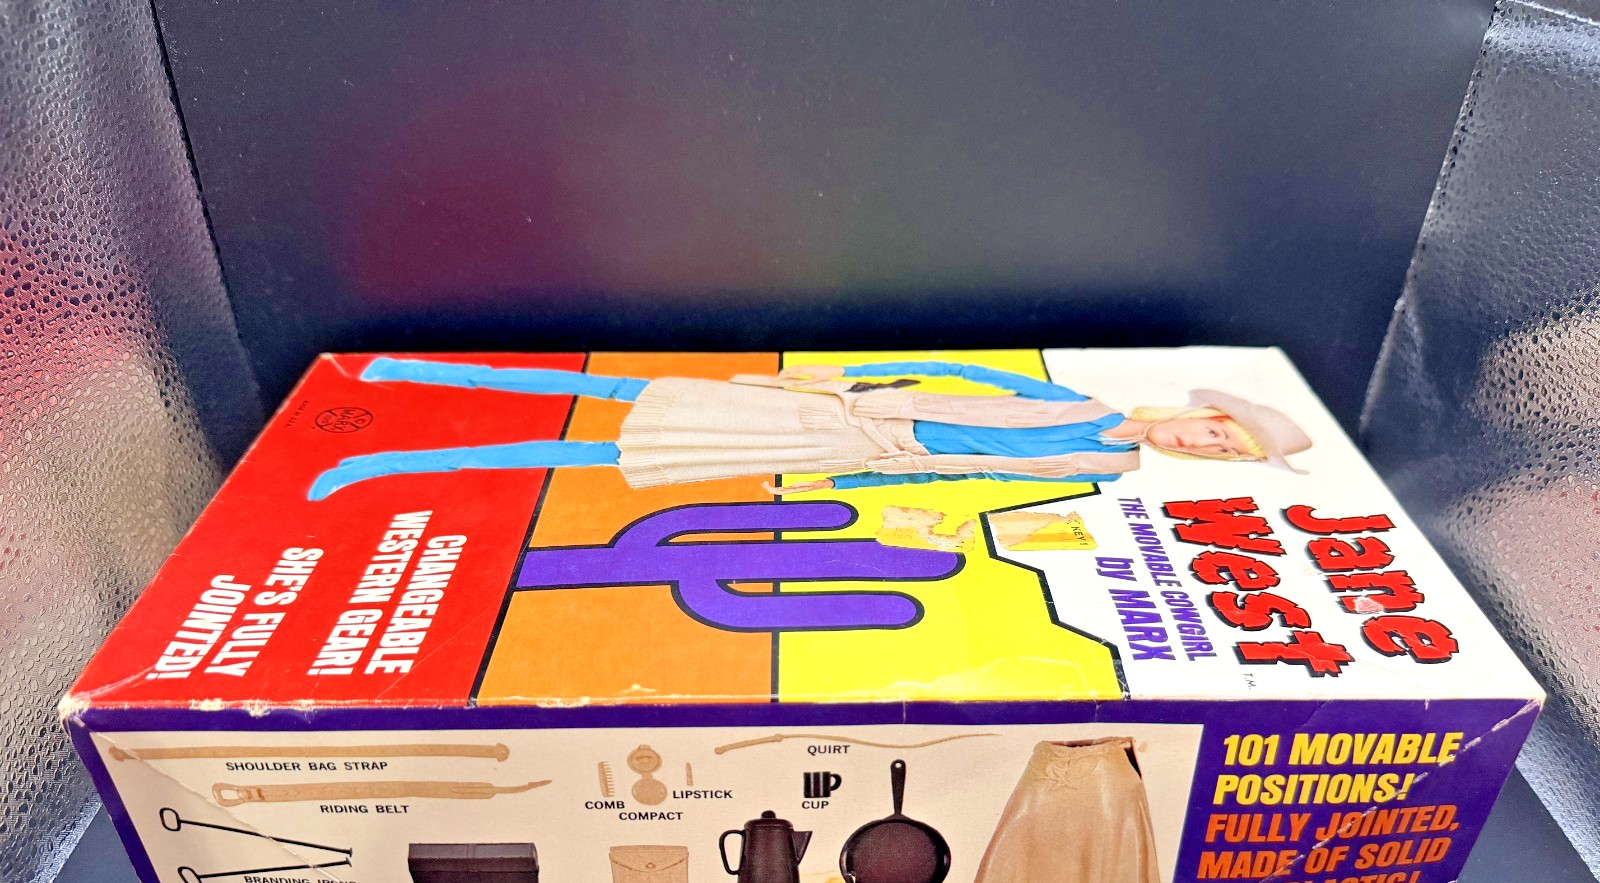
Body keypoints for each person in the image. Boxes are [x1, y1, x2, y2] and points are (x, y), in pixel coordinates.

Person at [307, 356, 1313, 500]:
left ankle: (384, 464)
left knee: (617, 450)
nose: (1203, 446)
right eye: (1215, 432)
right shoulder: (1083, 405)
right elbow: (960, 379)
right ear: (1203, 414)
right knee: (615, 390)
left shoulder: (1105, 469)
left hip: (848, 450)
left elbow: (974, 476)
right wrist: (844, 380)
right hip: (842, 407)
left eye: (1222, 455)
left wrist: (854, 481)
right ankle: (407, 374)